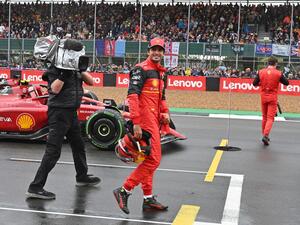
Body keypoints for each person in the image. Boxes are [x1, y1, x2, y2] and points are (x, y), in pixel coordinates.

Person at [113, 37, 169, 214]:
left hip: (155, 119)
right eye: (154, 49)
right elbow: (132, 96)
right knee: (154, 159)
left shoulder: (162, 73)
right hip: (144, 120)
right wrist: (136, 122)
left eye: (160, 50)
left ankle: (148, 198)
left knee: (148, 159)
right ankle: (125, 190)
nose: (156, 53)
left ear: (163, 53)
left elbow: (162, 97)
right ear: (148, 51)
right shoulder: (140, 69)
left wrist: (165, 113)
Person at [26, 66, 100, 200]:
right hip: (59, 112)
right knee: (53, 151)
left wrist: (81, 69)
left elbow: (91, 82)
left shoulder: (75, 68)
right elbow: (54, 89)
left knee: (79, 145)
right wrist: (63, 75)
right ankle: (35, 187)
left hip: (72, 112)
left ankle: (82, 176)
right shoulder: (55, 69)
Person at [253, 56, 289, 145]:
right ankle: (265, 135)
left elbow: (254, 83)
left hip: (263, 96)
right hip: (272, 97)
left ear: (268, 63)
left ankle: (264, 135)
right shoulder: (278, 73)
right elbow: (286, 83)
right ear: (276, 64)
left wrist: (262, 83)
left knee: (264, 117)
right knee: (270, 118)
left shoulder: (261, 72)